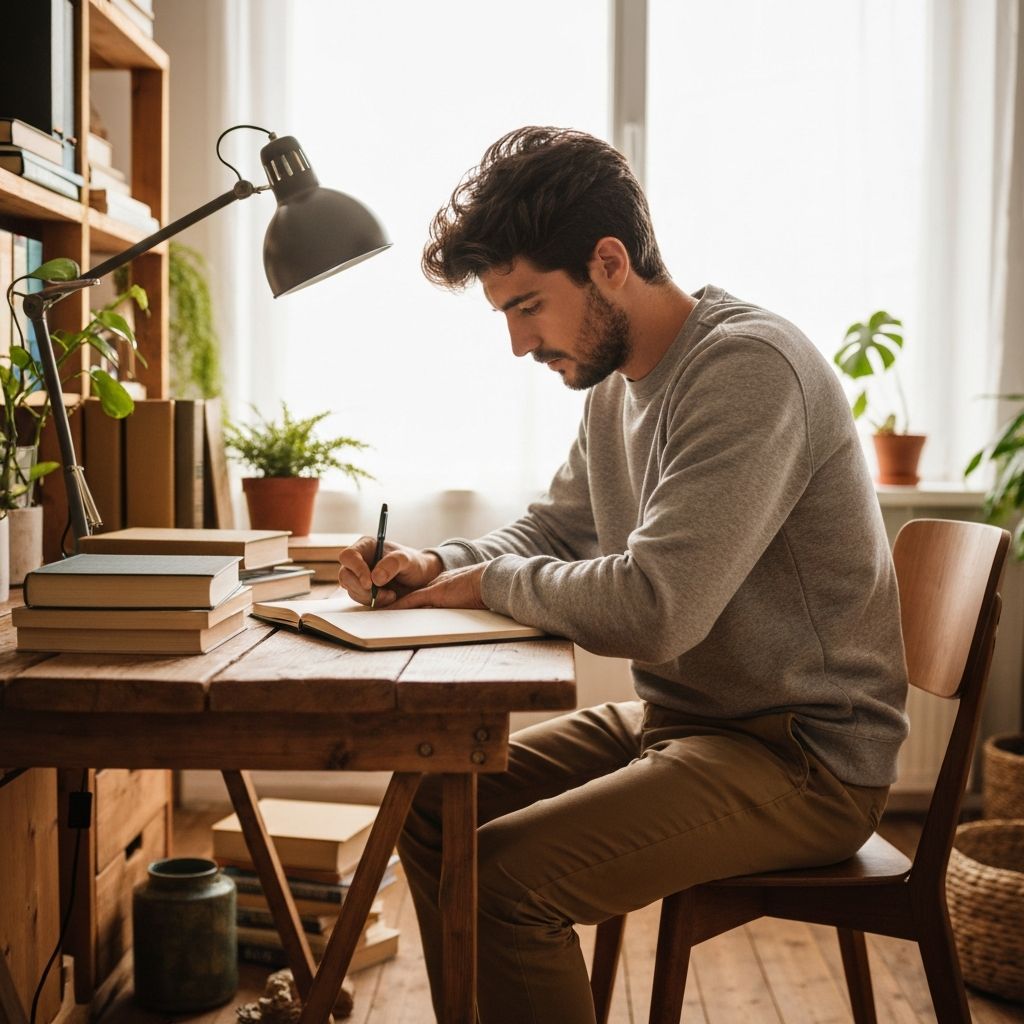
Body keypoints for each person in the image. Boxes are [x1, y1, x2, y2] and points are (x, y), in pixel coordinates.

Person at [338, 126, 909, 1024]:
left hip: (803, 756)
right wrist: (438, 564)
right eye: (506, 316)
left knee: (504, 882)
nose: (520, 346)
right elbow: (555, 529)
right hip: (686, 722)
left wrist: (484, 586)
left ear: (609, 262)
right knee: (431, 806)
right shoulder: (614, 383)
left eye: (528, 306)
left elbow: (657, 609)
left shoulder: (748, 368)